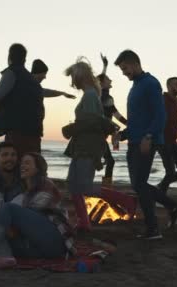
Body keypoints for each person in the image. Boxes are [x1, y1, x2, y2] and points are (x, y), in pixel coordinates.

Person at [0, 152, 77, 268]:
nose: (22, 166)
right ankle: (5, 257)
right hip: (36, 248)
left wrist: (11, 225)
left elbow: (37, 213)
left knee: (7, 209)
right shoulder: (24, 194)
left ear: (38, 168)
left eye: (27, 163)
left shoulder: (46, 185)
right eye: (22, 163)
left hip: (54, 241)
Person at [114, 50, 177, 239]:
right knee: (138, 185)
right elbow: (137, 119)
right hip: (134, 141)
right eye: (122, 70)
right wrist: (122, 134)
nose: (124, 73)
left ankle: (154, 227)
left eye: (125, 68)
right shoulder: (135, 86)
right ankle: (172, 207)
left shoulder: (151, 83)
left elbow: (160, 114)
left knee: (139, 184)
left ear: (135, 64)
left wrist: (149, 137)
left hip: (146, 142)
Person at [62, 59, 137, 232]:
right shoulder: (91, 94)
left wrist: (70, 129)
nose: (72, 82)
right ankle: (84, 222)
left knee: (84, 186)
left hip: (87, 147)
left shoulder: (89, 95)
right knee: (73, 185)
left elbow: (92, 124)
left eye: (73, 77)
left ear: (80, 76)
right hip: (82, 145)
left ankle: (127, 201)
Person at [0, 43, 44, 155]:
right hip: (34, 132)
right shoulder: (31, 80)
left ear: (9, 57)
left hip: (16, 132)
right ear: (25, 59)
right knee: (30, 167)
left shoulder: (12, 73)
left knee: (12, 166)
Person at [97, 53, 127, 186]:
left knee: (104, 161)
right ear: (103, 83)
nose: (111, 81)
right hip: (97, 135)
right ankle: (106, 188)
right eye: (108, 79)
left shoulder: (104, 96)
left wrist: (105, 66)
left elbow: (116, 115)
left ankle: (105, 187)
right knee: (109, 161)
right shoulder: (102, 96)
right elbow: (116, 115)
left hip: (99, 135)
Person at [157, 77, 177, 194]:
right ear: (169, 86)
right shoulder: (163, 99)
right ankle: (160, 195)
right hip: (163, 142)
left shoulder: (175, 102)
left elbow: (175, 118)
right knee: (170, 172)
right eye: (176, 84)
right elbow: (168, 115)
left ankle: (160, 187)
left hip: (173, 141)